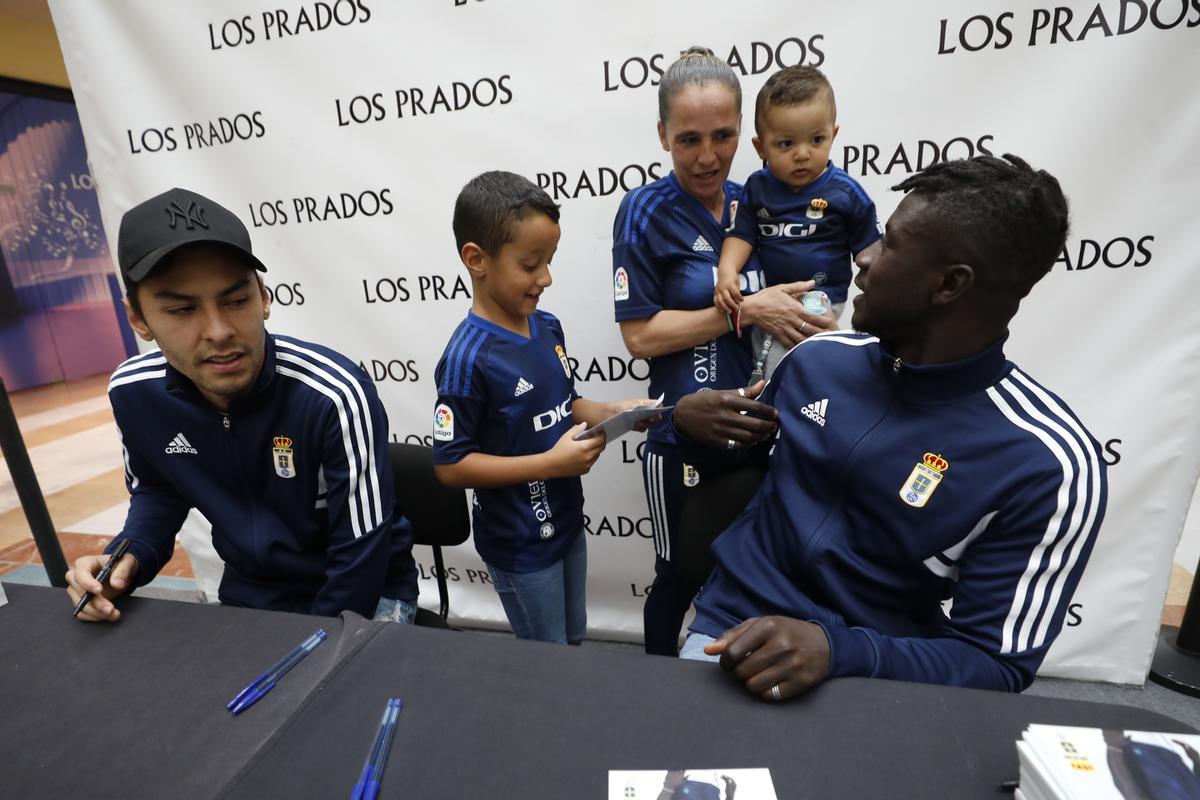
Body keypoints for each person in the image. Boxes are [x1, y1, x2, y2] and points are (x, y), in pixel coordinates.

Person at [672, 154, 1107, 696]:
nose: (865, 258)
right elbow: (730, 469)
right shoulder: (816, 361)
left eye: (890, 243)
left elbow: (996, 664)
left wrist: (841, 652)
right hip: (735, 631)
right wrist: (688, 427)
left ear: (949, 284)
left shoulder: (1046, 464)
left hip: (883, 675)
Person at [64, 187, 418, 622]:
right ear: (138, 318)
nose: (218, 331)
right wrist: (125, 558)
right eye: (182, 310)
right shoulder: (134, 392)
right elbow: (157, 490)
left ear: (263, 297)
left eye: (236, 301)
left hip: (365, 590)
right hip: (251, 593)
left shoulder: (334, 393)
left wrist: (316, 644)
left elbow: (362, 554)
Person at [612, 47, 837, 656]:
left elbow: (802, 296)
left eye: (723, 136)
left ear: (747, 133)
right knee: (677, 578)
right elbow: (640, 336)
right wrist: (746, 309)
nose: (708, 156)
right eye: (689, 139)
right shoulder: (644, 211)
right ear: (662, 134)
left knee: (752, 581)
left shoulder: (759, 201)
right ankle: (656, 689)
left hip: (760, 432)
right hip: (681, 435)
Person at [433, 171, 651, 645]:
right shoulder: (467, 359)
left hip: (567, 523)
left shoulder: (547, 325)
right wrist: (550, 464)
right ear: (477, 259)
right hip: (520, 546)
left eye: (549, 261)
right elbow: (451, 466)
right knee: (546, 657)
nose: (547, 279)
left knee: (573, 637)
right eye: (531, 265)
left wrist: (613, 411)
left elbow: (565, 404)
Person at [712, 65, 880, 380]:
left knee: (798, 367)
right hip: (767, 298)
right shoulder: (757, 188)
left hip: (820, 296)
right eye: (786, 144)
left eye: (816, 140)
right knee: (763, 367)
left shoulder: (846, 193)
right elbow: (742, 235)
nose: (802, 154)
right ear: (761, 147)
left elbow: (873, 253)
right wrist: (727, 271)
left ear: (833, 135)